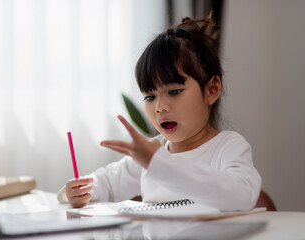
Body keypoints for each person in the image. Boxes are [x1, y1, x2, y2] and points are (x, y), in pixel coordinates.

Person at [57, 13, 261, 211]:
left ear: (212, 90)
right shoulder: (152, 151)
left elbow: (242, 196)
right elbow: (106, 182)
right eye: (150, 97)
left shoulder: (227, 147)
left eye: (174, 91)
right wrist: (76, 192)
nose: (160, 107)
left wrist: (159, 165)